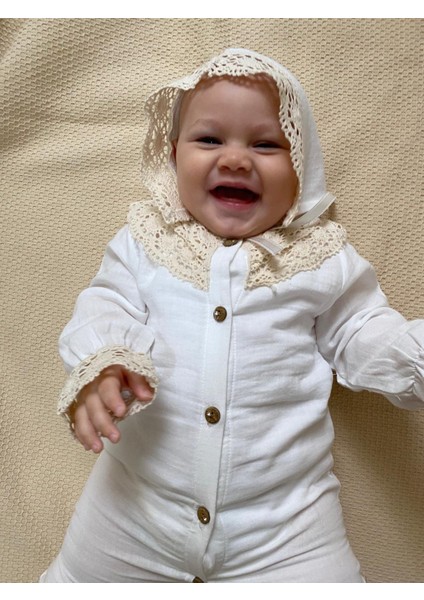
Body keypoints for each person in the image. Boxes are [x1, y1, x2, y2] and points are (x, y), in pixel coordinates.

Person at [40, 48, 424, 583]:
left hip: (285, 525)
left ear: (302, 167)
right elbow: (105, 303)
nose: (237, 160)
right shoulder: (147, 242)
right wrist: (105, 361)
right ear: (173, 155)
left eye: (266, 144)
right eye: (209, 140)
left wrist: (411, 354)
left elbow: (362, 332)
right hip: (135, 506)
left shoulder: (321, 258)